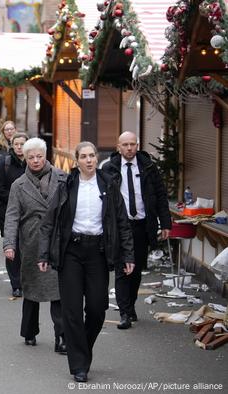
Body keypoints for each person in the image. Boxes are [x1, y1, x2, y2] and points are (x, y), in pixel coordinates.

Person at [38, 141, 134, 383]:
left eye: (93, 156)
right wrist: (43, 254)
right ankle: (79, 365)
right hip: (71, 251)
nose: (89, 160)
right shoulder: (66, 185)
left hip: (98, 252)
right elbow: (49, 221)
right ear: (76, 160)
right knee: (71, 310)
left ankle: (81, 347)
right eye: (84, 157)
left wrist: (128, 255)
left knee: (96, 307)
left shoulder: (109, 185)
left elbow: (122, 222)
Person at [102, 131, 171, 329]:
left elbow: (160, 195)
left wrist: (165, 223)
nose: (129, 148)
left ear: (137, 145)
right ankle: (124, 313)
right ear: (118, 147)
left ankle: (130, 305)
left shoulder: (149, 167)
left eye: (133, 144)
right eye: (125, 144)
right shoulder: (109, 168)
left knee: (137, 270)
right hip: (121, 227)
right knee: (123, 270)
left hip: (142, 225)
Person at [3, 138, 67, 352]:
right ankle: (29, 331)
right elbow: (12, 216)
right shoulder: (18, 185)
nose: (36, 160)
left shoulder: (62, 178)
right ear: (26, 158)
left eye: (39, 156)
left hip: (57, 241)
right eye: (31, 157)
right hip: (31, 242)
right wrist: (9, 244)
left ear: (46, 155)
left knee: (59, 291)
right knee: (31, 289)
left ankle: (62, 336)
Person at [0, 132, 28, 297]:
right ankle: (16, 283)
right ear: (12, 145)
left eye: (23, 144)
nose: (19, 147)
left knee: (28, 248)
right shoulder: (4, 163)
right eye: (17, 144)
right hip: (9, 212)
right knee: (12, 247)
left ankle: (27, 280)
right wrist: (15, 200)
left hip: (31, 213)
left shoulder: (34, 162)